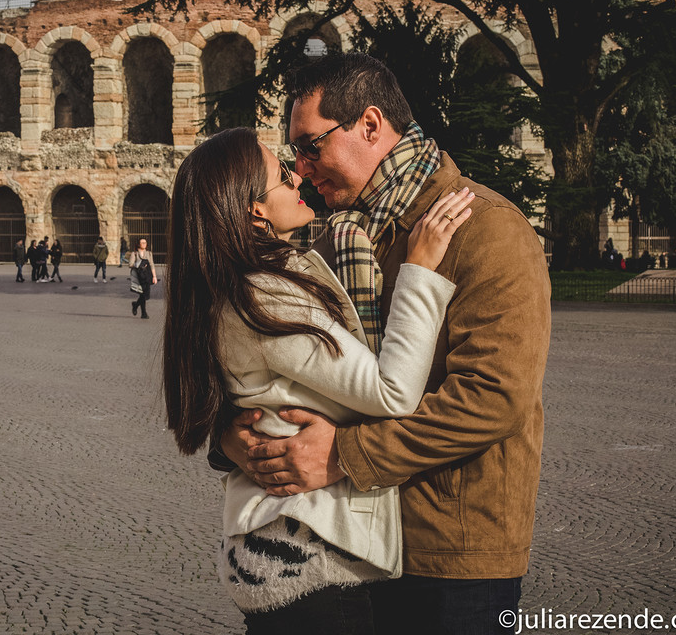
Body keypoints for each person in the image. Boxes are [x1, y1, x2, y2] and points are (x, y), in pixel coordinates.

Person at [220, 53, 551, 635]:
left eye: (311, 146)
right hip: (351, 543)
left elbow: (492, 399)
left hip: (448, 546)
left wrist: (342, 456)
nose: (301, 169)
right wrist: (236, 435)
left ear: (370, 125)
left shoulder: (487, 228)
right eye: (294, 154)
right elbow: (283, 368)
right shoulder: (332, 235)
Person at [164, 127, 471, 632]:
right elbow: (391, 391)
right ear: (255, 210)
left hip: (283, 549)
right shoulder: (264, 294)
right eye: (282, 174)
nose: (297, 176)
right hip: (309, 560)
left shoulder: (238, 287)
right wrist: (419, 270)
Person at [130, 238, 158, 319]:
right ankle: (143, 313)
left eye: (145, 242)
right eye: (142, 243)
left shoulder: (149, 253)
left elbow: (152, 265)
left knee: (146, 295)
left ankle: (135, 305)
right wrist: (140, 265)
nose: (144, 244)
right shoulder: (134, 254)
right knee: (142, 294)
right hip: (139, 277)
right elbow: (130, 264)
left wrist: (154, 276)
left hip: (147, 276)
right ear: (138, 244)